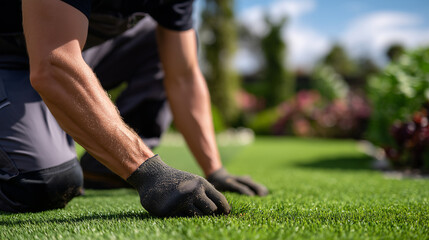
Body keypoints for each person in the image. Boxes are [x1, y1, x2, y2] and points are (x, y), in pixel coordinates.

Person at [0, 0, 267, 216]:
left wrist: (215, 169)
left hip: (71, 47)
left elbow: (183, 75)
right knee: (42, 183)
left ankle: (103, 168)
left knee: (161, 36)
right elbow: (53, 64)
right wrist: (150, 173)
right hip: (11, 56)